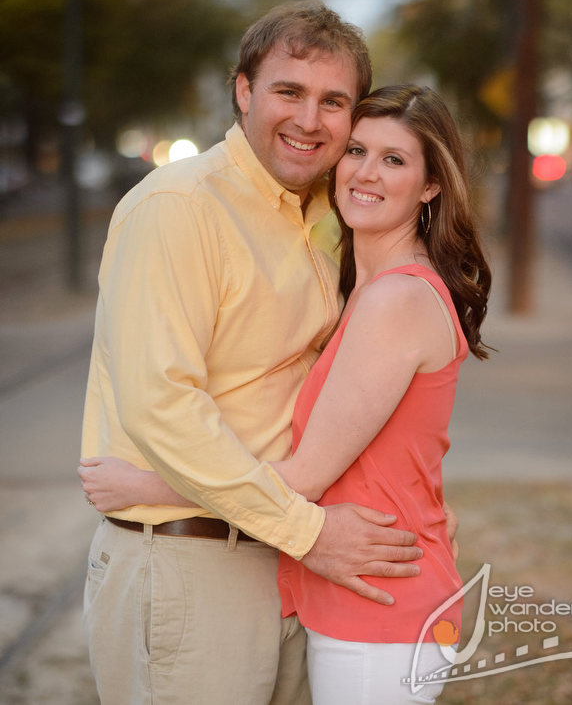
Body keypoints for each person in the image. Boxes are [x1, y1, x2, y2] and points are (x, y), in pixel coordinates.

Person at [81, 83, 489, 704]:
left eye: (395, 159)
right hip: (349, 594)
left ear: (431, 185)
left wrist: (146, 487)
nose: (366, 173)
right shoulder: (364, 288)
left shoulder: (396, 301)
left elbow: (305, 476)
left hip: (378, 603)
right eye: (356, 150)